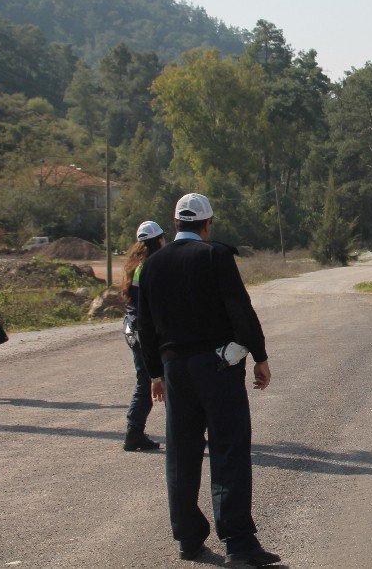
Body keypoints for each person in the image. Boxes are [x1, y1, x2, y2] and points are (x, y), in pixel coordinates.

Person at [138, 193, 280, 566]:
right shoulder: (215, 256)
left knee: (182, 454)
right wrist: (260, 356)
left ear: (176, 225)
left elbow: (144, 327)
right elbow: (240, 309)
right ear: (208, 224)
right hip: (217, 368)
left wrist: (155, 372)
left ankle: (188, 538)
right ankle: (239, 544)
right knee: (228, 449)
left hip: (175, 370)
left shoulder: (153, 265)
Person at [120, 220, 165, 452]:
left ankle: (134, 432)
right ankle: (184, 433)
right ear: (158, 240)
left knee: (146, 381)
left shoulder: (135, 265)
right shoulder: (151, 266)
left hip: (132, 329)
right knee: (163, 381)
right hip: (146, 332)